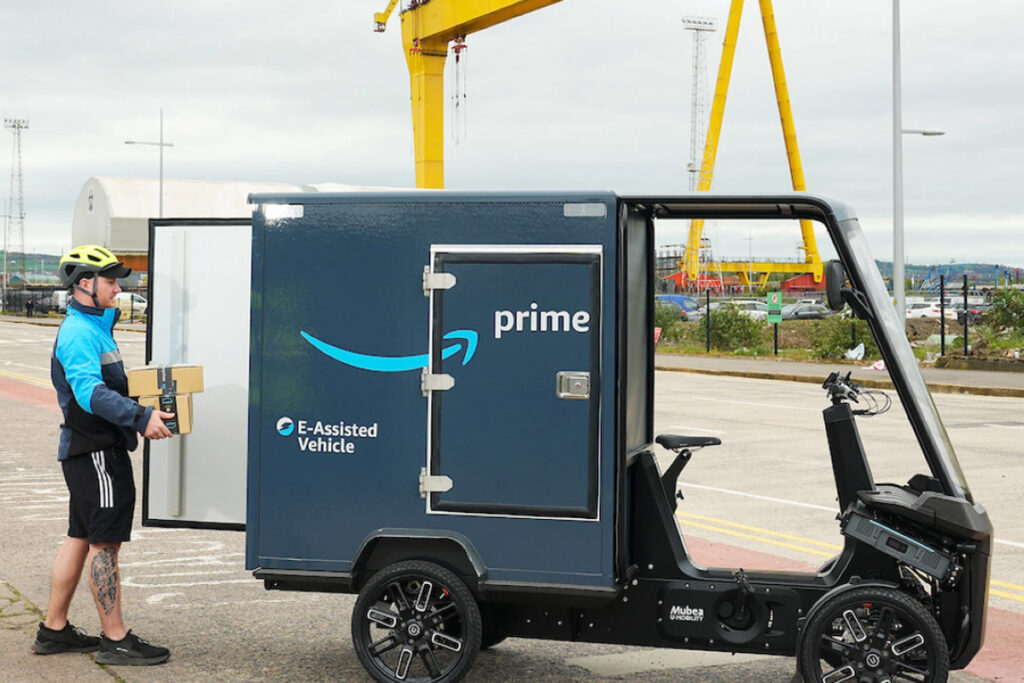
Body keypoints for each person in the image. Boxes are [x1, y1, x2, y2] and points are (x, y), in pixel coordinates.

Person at [32, 245, 175, 666]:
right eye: (111, 281)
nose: (118, 288)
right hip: (96, 452)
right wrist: (139, 417)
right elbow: (90, 393)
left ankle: (53, 630)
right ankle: (115, 638)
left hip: (87, 450)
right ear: (84, 285)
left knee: (80, 537)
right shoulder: (78, 334)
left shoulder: (95, 325)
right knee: (105, 543)